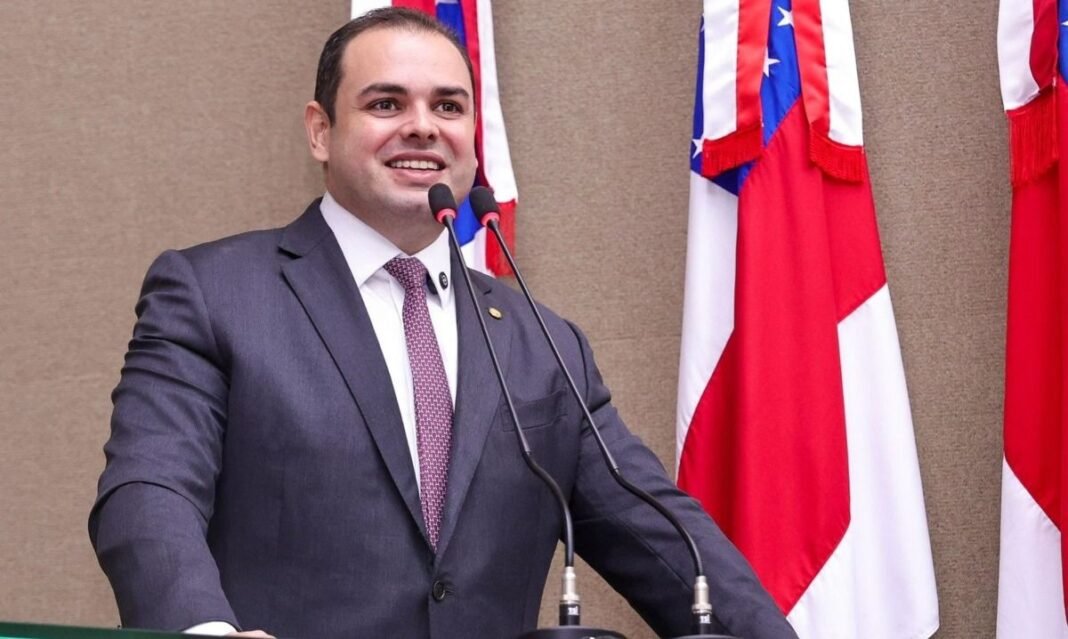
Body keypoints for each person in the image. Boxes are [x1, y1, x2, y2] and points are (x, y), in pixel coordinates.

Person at [89, 8, 797, 639]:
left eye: (449, 106)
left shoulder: (542, 343)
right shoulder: (214, 294)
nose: (423, 126)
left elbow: (665, 540)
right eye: (386, 103)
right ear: (320, 131)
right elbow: (149, 492)